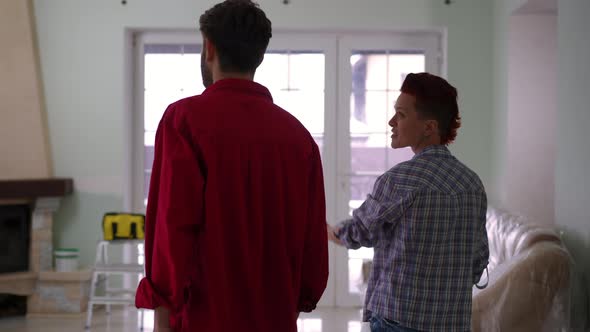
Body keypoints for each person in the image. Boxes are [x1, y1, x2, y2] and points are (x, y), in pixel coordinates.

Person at [135, 1, 329, 331]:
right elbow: (312, 242)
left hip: (204, 317)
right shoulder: (299, 137)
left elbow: (173, 225)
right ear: (260, 55)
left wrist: (162, 317)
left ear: (208, 47)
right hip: (275, 318)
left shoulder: (184, 121)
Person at [327, 73, 489, 332]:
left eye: (401, 115)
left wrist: (330, 232)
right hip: (452, 323)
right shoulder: (472, 184)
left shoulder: (399, 181)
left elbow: (359, 232)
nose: (392, 122)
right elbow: (479, 257)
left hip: (398, 320)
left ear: (429, 127)